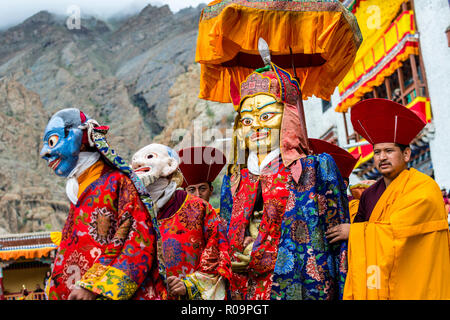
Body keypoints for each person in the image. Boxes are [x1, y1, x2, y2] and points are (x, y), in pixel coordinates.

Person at [220, 63, 349, 300]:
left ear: (287, 119)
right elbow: (224, 235)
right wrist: (236, 256)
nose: (256, 125)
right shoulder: (235, 180)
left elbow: (335, 242)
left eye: (266, 116)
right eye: (247, 120)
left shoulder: (316, 168)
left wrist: (260, 257)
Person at [40, 108, 167, 300]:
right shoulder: (78, 192)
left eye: (52, 141)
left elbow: (139, 240)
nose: (45, 153)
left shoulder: (117, 183)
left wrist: (95, 286)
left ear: (79, 140)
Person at [343, 98, 450, 300]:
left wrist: (353, 233)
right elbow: (364, 237)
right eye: (377, 152)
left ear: (406, 154)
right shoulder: (369, 194)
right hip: (379, 276)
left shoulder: (424, 188)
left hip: (415, 278)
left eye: (389, 151)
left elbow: (399, 231)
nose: (382, 157)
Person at [132, 143, 232, 300]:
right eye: (135, 161)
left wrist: (189, 285)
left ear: (170, 167)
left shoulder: (199, 209)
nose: (138, 163)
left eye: (150, 157)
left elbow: (217, 253)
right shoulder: (132, 214)